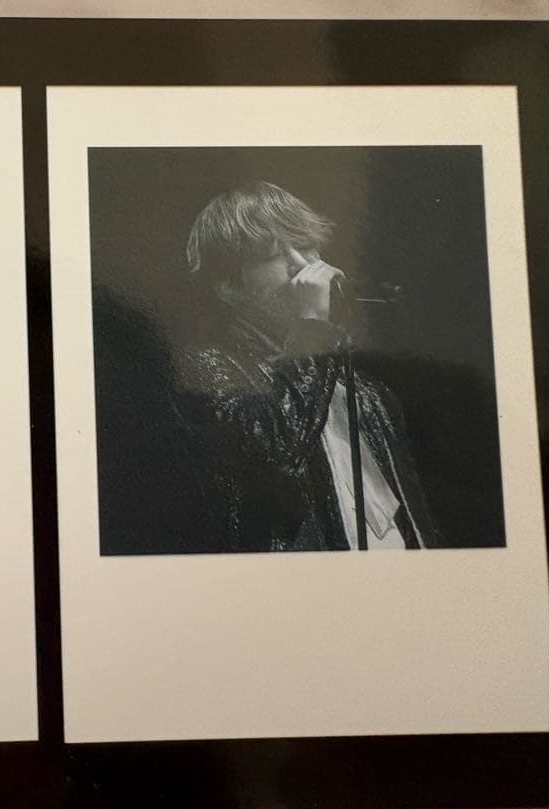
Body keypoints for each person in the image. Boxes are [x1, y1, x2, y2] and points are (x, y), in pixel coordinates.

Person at [173, 180, 440, 552]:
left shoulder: (367, 393)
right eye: (275, 255)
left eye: (305, 245)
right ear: (228, 286)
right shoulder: (202, 369)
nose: (305, 265)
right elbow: (276, 452)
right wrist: (311, 327)